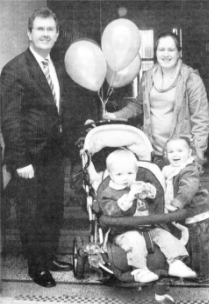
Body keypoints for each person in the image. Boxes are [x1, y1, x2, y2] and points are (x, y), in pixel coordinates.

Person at [0, 7, 72, 288]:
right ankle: (37, 267)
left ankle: (50, 257)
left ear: (56, 34)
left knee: (53, 209)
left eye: (50, 30)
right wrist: (20, 161)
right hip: (28, 159)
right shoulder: (15, 69)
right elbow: (10, 119)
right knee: (31, 213)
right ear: (29, 33)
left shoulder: (55, 64)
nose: (45, 34)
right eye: (39, 29)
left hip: (53, 154)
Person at [103, 32, 209, 170]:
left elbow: (201, 119)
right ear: (156, 52)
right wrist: (116, 115)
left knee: (181, 191)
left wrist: (197, 156)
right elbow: (138, 104)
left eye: (171, 50)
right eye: (161, 49)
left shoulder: (191, 79)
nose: (166, 54)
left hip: (180, 155)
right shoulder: (148, 77)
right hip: (152, 153)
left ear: (178, 52)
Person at [99, 149, 196, 283]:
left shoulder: (136, 186)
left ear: (136, 172)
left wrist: (149, 190)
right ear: (110, 174)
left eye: (130, 173)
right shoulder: (108, 193)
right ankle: (140, 269)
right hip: (122, 231)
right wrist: (130, 197)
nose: (126, 177)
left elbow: (155, 198)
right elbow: (112, 211)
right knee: (135, 240)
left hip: (148, 227)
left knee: (165, 235)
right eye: (119, 174)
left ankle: (176, 263)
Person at [163, 136, 209, 283]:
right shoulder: (169, 170)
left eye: (179, 151)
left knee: (199, 245)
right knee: (187, 242)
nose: (175, 154)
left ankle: (202, 274)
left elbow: (188, 189)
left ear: (189, 153)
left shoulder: (189, 170)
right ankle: (189, 269)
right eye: (171, 152)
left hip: (197, 214)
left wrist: (176, 203)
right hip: (184, 215)